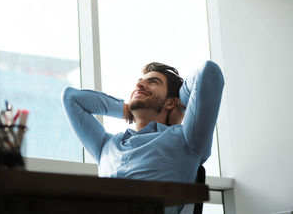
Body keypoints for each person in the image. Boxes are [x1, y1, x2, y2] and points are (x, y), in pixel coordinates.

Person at [61, 60, 224, 213]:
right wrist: (125, 109)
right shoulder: (106, 145)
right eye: (140, 82)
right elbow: (70, 98)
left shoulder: (186, 141)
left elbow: (209, 73)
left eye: (153, 82)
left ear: (170, 102)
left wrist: (180, 106)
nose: (139, 85)